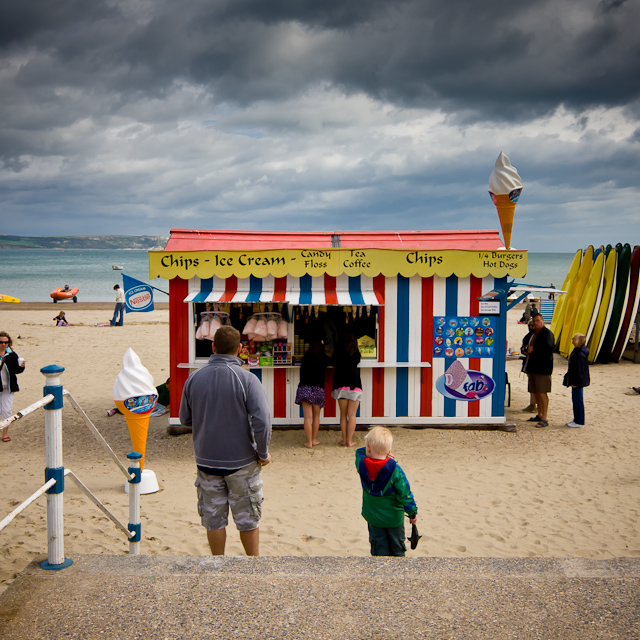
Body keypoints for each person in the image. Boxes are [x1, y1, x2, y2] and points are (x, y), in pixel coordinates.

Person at [179, 326, 271, 556]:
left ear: (213, 347)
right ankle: (253, 565)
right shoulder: (247, 380)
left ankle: (218, 564)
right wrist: (263, 453)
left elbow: (184, 419)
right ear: (240, 349)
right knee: (248, 519)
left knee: (214, 519)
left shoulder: (194, 379)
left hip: (206, 461)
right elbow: (262, 421)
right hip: (242, 463)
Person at [355, 426, 418, 557]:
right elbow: (404, 494)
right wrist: (412, 512)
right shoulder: (395, 470)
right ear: (389, 450)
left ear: (367, 448)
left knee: (379, 549)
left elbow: (358, 452)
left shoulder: (361, 464)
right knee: (397, 549)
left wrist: (372, 449)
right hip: (394, 519)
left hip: (374, 518)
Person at [523, 313, 555, 428]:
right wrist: (526, 349)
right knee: (535, 392)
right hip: (532, 367)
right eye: (534, 321)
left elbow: (549, 349)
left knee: (542, 393)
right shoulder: (532, 333)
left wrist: (533, 350)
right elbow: (524, 344)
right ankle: (540, 414)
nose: (536, 323)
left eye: (537, 321)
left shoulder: (547, 334)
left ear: (542, 320)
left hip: (542, 369)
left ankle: (544, 417)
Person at [295, 342, 329, 448]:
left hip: (305, 388)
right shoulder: (324, 359)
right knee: (316, 416)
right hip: (318, 389)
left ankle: (308, 442)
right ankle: (314, 440)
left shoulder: (305, 359)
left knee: (307, 418)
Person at [331, 333, 362, 447]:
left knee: (343, 415)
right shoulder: (356, 354)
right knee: (352, 415)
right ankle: (350, 441)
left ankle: (344, 440)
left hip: (341, 386)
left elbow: (332, 362)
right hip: (355, 385)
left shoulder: (338, 353)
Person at [0, 331, 26, 442]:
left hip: (9, 387)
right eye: (1, 342)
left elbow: (16, 370)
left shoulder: (12, 355)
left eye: (6, 342)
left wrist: (21, 367)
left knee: (7, 411)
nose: (3, 344)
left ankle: (4, 433)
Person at [564, 333, 590, 428]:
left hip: (578, 381)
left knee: (578, 400)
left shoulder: (579, 354)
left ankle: (579, 421)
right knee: (576, 399)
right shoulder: (578, 351)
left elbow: (579, 370)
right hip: (577, 380)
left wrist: (575, 382)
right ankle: (577, 419)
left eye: (574, 339)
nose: (572, 340)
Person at [520, 320, 537, 414]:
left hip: (536, 364)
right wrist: (524, 350)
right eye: (529, 325)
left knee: (537, 387)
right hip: (529, 363)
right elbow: (523, 348)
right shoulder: (527, 336)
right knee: (531, 385)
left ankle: (536, 405)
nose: (530, 327)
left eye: (532, 326)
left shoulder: (538, 336)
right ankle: (532, 404)